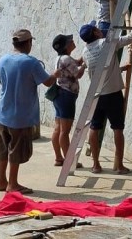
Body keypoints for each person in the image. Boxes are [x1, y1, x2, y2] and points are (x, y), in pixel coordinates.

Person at [0, 29, 62, 194]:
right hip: (20, 115)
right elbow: (47, 82)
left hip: (2, 112)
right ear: (29, 43)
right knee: (16, 150)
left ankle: (2, 181)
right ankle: (13, 184)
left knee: (3, 148)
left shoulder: (3, 60)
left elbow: (3, 82)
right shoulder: (31, 63)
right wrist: (55, 74)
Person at [78, 19, 132, 174]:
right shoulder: (106, 43)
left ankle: (95, 165)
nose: (99, 29)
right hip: (113, 94)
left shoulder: (85, 52)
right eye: (96, 28)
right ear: (95, 32)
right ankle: (119, 166)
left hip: (96, 95)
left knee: (94, 128)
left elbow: (101, 70)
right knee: (117, 129)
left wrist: (120, 69)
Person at [50, 34, 86, 167]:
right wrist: (85, 65)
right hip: (67, 96)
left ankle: (59, 158)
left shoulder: (61, 58)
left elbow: (76, 62)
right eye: (70, 41)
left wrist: (85, 54)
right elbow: (78, 74)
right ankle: (69, 161)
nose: (72, 41)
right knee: (65, 132)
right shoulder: (67, 59)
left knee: (58, 129)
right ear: (66, 46)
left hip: (60, 95)